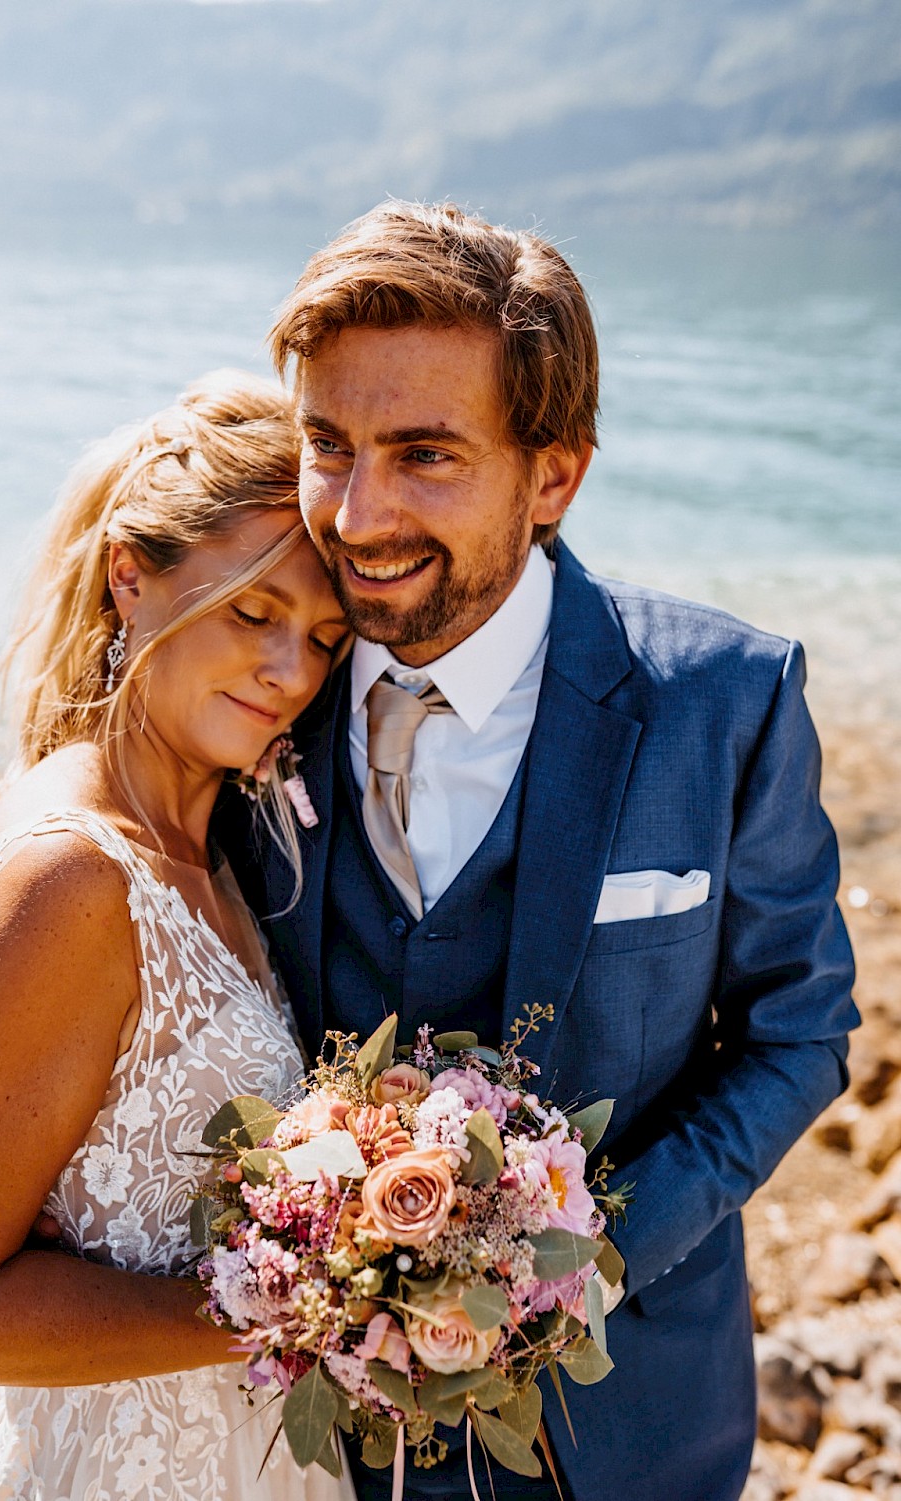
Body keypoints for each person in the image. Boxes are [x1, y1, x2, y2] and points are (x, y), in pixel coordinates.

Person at [223, 202, 860, 1501]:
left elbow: (802, 1033)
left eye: (425, 455)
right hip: (313, 1453)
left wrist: (588, 1253)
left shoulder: (726, 702)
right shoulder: (247, 699)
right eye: (328, 446)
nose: (355, 515)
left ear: (555, 474)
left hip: (634, 1434)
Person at [0, 372, 355, 1500]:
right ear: (129, 575)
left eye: (325, 638)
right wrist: (295, 1305)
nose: (291, 671)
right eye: (255, 612)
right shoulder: (75, 874)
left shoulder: (209, 848)